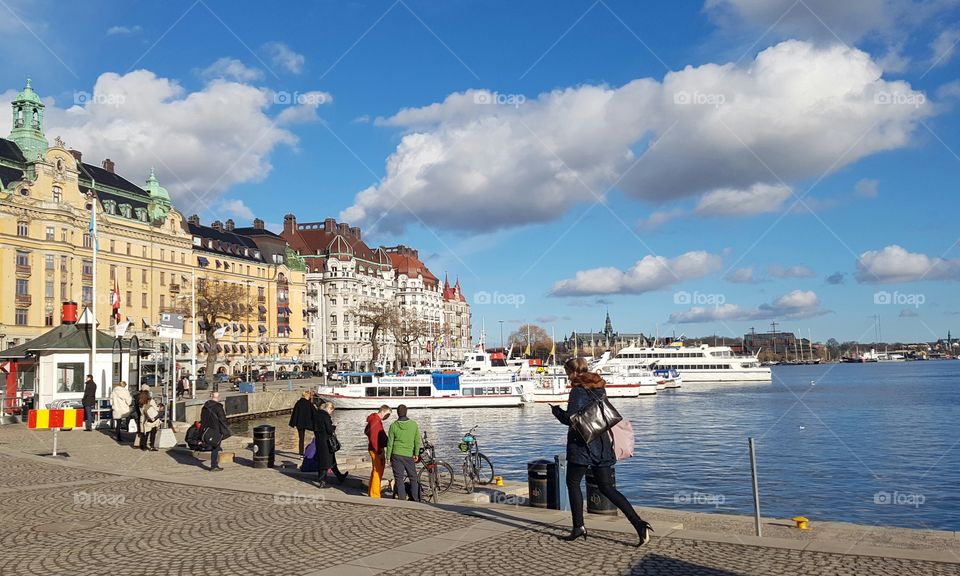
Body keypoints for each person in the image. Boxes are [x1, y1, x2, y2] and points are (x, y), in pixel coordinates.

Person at [551, 357, 652, 546]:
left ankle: (578, 527)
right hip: (602, 444)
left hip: (581, 445)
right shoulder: (598, 387)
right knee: (607, 488)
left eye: (567, 373)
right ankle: (639, 524)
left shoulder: (577, 391)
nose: (567, 377)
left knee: (572, 483)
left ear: (573, 373)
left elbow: (571, 419)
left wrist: (556, 412)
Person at [385, 404, 420, 502]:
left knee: (399, 478)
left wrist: (388, 457)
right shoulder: (413, 424)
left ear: (397, 413)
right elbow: (417, 441)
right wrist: (416, 454)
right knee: (413, 477)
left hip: (396, 454)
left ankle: (402, 499)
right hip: (408, 455)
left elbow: (390, 443)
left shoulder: (393, 425)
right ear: (406, 412)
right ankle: (415, 498)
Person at [313, 402, 347, 488]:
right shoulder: (325, 416)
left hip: (319, 441)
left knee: (330, 460)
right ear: (329, 408)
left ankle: (340, 477)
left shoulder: (316, 415)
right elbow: (329, 429)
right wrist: (334, 426)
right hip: (327, 442)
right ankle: (322, 481)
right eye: (331, 410)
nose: (331, 412)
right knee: (325, 462)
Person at [365, 404, 391, 498]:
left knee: (375, 471)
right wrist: (379, 452)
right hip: (376, 449)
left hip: (375, 448)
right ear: (383, 411)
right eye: (387, 414)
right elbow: (374, 438)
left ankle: (372, 492)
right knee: (377, 472)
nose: (387, 417)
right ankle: (375, 494)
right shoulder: (376, 421)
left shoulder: (374, 419)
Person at [200, 392, 231, 471]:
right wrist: (226, 428)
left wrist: (203, 429)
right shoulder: (218, 407)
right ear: (218, 397)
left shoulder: (205, 407)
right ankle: (214, 465)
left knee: (214, 446)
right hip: (216, 430)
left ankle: (214, 464)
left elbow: (202, 419)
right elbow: (222, 419)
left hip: (207, 430)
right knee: (215, 447)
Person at [289, 391, 316, 456]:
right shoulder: (309, 404)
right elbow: (314, 413)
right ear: (307, 396)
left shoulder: (298, 403)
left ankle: (301, 452)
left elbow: (294, 414)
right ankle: (315, 448)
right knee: (316, 432)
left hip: (299, 423)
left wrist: (293, 423)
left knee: (301, 438)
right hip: (308, 423)